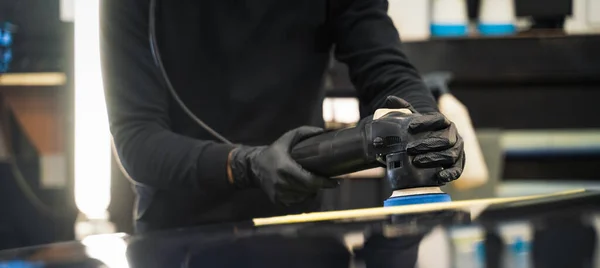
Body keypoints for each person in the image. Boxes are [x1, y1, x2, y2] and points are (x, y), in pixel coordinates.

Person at [100, 0, 465, 233]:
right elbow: (137, 139)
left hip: (298, 232)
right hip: (175, 247)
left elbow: (385, 70)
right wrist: (246, 165)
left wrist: (424, 125)